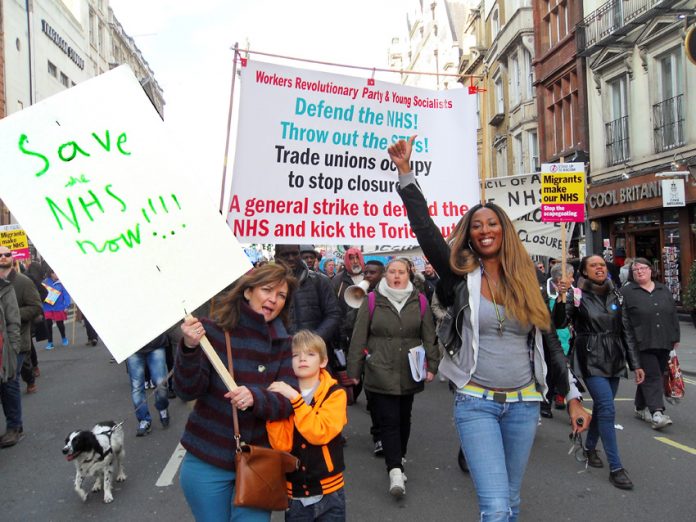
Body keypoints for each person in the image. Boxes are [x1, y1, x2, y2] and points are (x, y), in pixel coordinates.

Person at [387, 136, 589, 519]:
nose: (484, 230)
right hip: (476, 402)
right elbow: (426, 230)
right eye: (477, 225)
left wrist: (573, 396)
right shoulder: (458, 275)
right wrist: (405, 174)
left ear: (504, 230)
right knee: (495, 508)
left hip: (524, 404)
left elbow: (548, 342)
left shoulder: (526, 277)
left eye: (492, 223)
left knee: (511, 502)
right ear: (470, 234)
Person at [175, 264, 298, 522]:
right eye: (267, 290)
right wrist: (189, 347)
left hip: (259, 462)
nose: (273, 300)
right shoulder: (212, 332)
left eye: (281, 295)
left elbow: (288, 401)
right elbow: (187, 390)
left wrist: (256, 397)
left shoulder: (284, 343)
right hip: (207, 460)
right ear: (247, 292)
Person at [347, 257, 439, 498]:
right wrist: (353, 371)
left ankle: (399, 457)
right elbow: (358, 337)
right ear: (386, 275)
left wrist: (433, 365)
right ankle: (395, 470)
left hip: (410, 369)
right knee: (388, 419)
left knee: (403, 417)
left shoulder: (419, 301)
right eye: (392, 272)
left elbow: (429, 335)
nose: (397, 276)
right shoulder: (371, 301)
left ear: (409, 275)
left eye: (402, 272)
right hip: (380, 368)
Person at [555, 254, 644, 490]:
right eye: (593, 265)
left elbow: (626, 330)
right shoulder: (577, 295)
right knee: (607, 408)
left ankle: (589, 447)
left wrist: (636, 364)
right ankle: (616, 468)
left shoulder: (616, 295)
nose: (599, 268)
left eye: (602, 265)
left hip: (615, 358)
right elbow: (560, 323)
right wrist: (562, 298)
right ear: (584, 272)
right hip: (590, 357)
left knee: (603, 408)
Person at [266, 330, 348, 521]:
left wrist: (296, 400)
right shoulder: (282, 393)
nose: (302, 359)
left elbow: (319, 432)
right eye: (296, 355)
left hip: (331, 491)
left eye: (310, 354)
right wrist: (274, 408)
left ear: (323, 361)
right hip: (296, 493)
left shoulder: (335, 394)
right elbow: (281, 445)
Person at [621, 258, 679, 430]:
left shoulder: (663, 289)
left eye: (643, 268)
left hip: (664, 340)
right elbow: (624, 322)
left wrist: (675, 337)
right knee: (654, 375)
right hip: (642, 342)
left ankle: (640, 407)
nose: (639, 271)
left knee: (655, 374)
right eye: (636, 269)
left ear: (650, 270)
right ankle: (657, 413)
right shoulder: (626, 292)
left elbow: (672, 314)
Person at [274, 244, 341, 350]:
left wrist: (313, 340)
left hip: (314, 350)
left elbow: (333, 314)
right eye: (285, 255)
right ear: (276, 257)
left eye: (295, 254)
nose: (291, 258)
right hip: (280, 352)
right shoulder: (268, 284)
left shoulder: (320, 281)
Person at [0, 246, 42, 403]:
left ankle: (14, 425)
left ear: (12, 258)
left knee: (11, 381)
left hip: (17, 338)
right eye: (0, 255)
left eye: (7, 254)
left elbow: (36, 307)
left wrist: (13, 315)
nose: (3, 257)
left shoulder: (23, 282)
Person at [540, 263, 575, 417]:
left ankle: (560, 396)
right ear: (561, 278)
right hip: (546, 337)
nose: (573, 279)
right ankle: (545, 402)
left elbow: (563, 320)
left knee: (561, 369)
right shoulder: (542, 290)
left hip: (565, 337)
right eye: (571, 276)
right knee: (548, 370)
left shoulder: (573, 292)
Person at [126, 333, 171, 437]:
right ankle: (144, 419)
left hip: (156, 341)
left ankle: (162, 407)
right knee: (137, 386)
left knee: (160, 382)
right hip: (131, 346)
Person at [0, 266, 21, 447]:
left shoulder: (5, 288)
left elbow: (13, 321)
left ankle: (14, 427)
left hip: (4, 349)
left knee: (9, 387)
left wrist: (14, 348)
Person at [41, 269, 71, 349]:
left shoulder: (61, 283)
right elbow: (41, 293)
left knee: (60, 324)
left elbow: (66, 294)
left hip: (59, 306)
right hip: (47, 306)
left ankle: (64, 337)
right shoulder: (45, 282)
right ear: (51, 274)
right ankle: (50, 342)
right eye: (55, 272)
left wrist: (67, 305)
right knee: (48, 324)